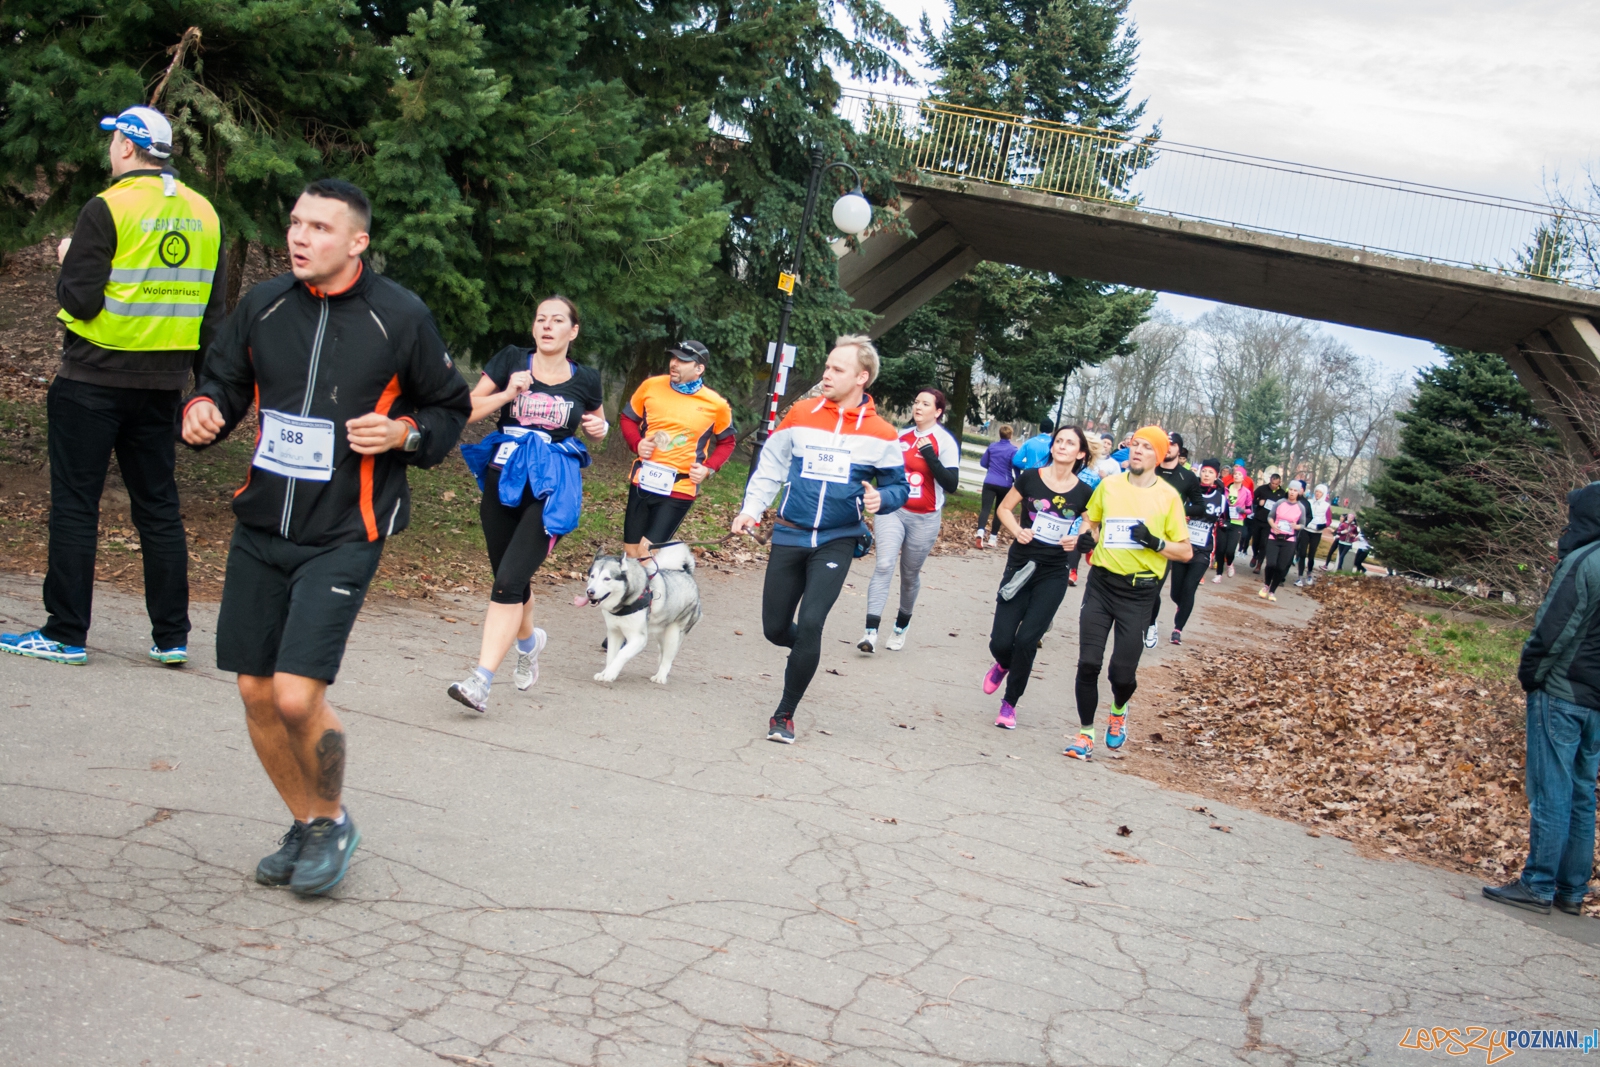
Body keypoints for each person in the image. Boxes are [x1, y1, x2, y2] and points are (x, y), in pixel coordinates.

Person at [180, 179, 470, 896]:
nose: (300, 237)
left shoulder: (398, 317)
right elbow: (222, 379)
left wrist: (406, 432)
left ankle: (334, 817)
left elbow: (448, 407)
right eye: (295, 224)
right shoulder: (265, 303)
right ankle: (307, 821)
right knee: (253, 689)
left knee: (295, 696)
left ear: (357, 242)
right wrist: (203, 410)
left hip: (345, 529)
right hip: (262, 522)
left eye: (319, 227)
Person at [2, 107, 226, 668]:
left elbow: (79, 299)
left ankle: (65, 633)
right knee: (158, 507)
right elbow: (212, 317)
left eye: (114, 141)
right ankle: (172, 636)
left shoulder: (107, 207)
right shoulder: (205, 214)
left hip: (91, 382)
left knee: (76, 506)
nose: (110, 150)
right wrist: (205, 390)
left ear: (127, 147)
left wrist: (65, 258)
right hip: (164, 388)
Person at [733, 336, 909, 743]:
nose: (826, 374)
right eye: (827, 367)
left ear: (861, 377)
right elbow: (771, 466)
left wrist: (881, 497)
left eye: (837, 369)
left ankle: (784, 714)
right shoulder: (800, 413)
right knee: (776, 629)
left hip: (838, 537)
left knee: (812, 621)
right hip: (791, 533)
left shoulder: (882, 433)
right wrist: (751, 509)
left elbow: (900, 487)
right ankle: (804, 650)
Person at [449, 296, 607, 713]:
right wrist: (506, 394)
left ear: (573, 331)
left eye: (558, 320)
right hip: (504, 482)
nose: (547, 326)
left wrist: (600, 427)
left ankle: (480, 681)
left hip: (550, 489)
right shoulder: (511, 361)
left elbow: (598, 425)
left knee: (506, 584)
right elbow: (464, 411)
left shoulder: (586, 379)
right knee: (510, 579)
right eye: (541, 319)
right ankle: (528, 641)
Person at [1485, 483, 1600, 916]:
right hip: (1595, 700)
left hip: (1564, 691)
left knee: (1552, 788)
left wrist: (1530, 674)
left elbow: (1553, 628)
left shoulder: (1584, 561)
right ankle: (1571, 890)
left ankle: (1538, 884)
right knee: (1582, 792)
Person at [1064, 426, 1191, 760]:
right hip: (1102, 584)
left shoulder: (1168, 498)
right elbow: (1090, 520)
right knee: (1089, 662)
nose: (1137, 450)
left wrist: (1155, 542)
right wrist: (1087, 536)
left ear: (1159, 456)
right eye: (1135, 444)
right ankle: (1086, 734)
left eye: (1147, 447)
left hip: (1139, 593)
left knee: (1121, 672)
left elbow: (1185, 552)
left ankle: (1119, 709)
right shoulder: (1109, 485)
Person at [982, 425, 1094, 729]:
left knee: (1027, 640)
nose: (1062, 446)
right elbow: (1005, 508)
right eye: (1059, 441)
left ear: (1080, 453)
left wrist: (1079, 539)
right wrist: (1017, 531)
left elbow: (1091, 526)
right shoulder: (1031, 477)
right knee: (1001, 641)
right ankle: (1003, 663)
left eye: (1070, 443)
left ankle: (1009, 704)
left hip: (1053, 572)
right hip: (1020, 566)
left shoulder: (1084, 491)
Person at [861, 388, 960, 652]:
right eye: (916, 401)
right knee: (883, 565)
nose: (918, 407)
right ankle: (870, 632)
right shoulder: (900, 437)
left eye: (925, 403)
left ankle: (901, 625)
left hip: (925, 518)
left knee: (909, 574)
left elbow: (951, 484)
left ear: (937, 412)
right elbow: (879, 470)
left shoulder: (945, 442)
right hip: (893, 510)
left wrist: (929, 455)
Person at [618, 340, 735, 559]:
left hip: (679, 487)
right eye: (673, 358)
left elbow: (727, 442)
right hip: (643, 479)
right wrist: (637, 443)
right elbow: (627, 418)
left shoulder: (716, 405)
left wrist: (708, 469)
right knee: (631, 551)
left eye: (683, 361)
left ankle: (650, 594)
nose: (674, 364)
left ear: (699, 368)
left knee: (646, 553)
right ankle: (646, 592)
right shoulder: (651, 386)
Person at [1145, 431, 1206, 647]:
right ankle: (1140, 622)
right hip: (1143, 534)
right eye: (1166, 444)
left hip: (1168, 540)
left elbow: (1200, 506)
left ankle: (1150, 624)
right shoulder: (1150, 468)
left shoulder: (1187, 477)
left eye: (1173, 445)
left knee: (1154, 586)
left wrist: (1180, 509)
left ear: (1179, 449)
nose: (1168, 448)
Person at [1170, 459, 1228, 643]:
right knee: (1175, 592)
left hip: (1203, 550)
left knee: (1189, 589)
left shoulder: (1221, 498)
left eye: (1211, 472)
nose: (1206, 475)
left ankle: (1178, 629)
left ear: (1216, 476)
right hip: (1182, 546)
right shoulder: (1188, 493)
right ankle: (1183, 607)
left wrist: (1220, 523)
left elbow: (1225, 521)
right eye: (1204, 471)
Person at [1259, 480, 1307, 601]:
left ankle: (1272, 591)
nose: (1292, 492)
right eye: (1290, 489)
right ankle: (1266, 585)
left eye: (1295, 490)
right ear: (1287, 490)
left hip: (1289, 540)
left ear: (1299, 493)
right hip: (1274, 537)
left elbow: (1303, 524)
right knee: (1271, 564)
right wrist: (1273, 526)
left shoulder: (1301, 507)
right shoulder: (1280, 502)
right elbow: (1270, 516)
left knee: (1281, 567)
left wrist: (1296, 527)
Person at [975, 425, 1017, 548]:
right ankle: (993, 538)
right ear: (1010, 435)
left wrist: (992, 468)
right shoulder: (1013, 450)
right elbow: (1016, 465)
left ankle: (980, 532)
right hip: (1005, 483)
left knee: (985, 509)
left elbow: (983, 463)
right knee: (999, 510)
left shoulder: (992, 446)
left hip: (989, 481)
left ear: (1000, 434)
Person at [1214, 463, 1252, 582]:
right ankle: (1219, 574)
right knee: (1220, 549)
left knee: (1230, 550)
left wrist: (1243, 510)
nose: (1236, 476)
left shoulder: (1246, 492)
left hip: (1237, 523)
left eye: (1239, 474)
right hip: (1224, 520)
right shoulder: (1226, 489)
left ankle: (1230, 564)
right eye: (1235, 474)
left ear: (1243, 478)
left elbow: (1250, 509)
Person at [1295, 483, 1332, 586]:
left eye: (1320, 492)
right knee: (1302, 553)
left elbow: (1329, 520)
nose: (1317, 494)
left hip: (1316, 532)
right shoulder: (1309, 502)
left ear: (1323, 494)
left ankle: (1309, 573)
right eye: (1316, 491)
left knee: (1311, 555)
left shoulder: (1326, 506)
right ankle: (1300, 576)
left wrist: (1323, 525)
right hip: (1306, 529)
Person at [1249, 472, 1286, 572]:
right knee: (1255, 541)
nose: (1274, 486)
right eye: (1272, 483)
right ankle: (1255, 555)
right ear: (1270, 481)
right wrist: (1258, 502)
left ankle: (1259, 565)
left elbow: (1284, 506)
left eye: (1276, 484)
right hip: (1258, 519)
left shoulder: (1282, 494)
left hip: (1270, 522)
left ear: (1279, 483)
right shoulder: (1262, 489)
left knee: (1264, 543)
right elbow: (1251, 499)